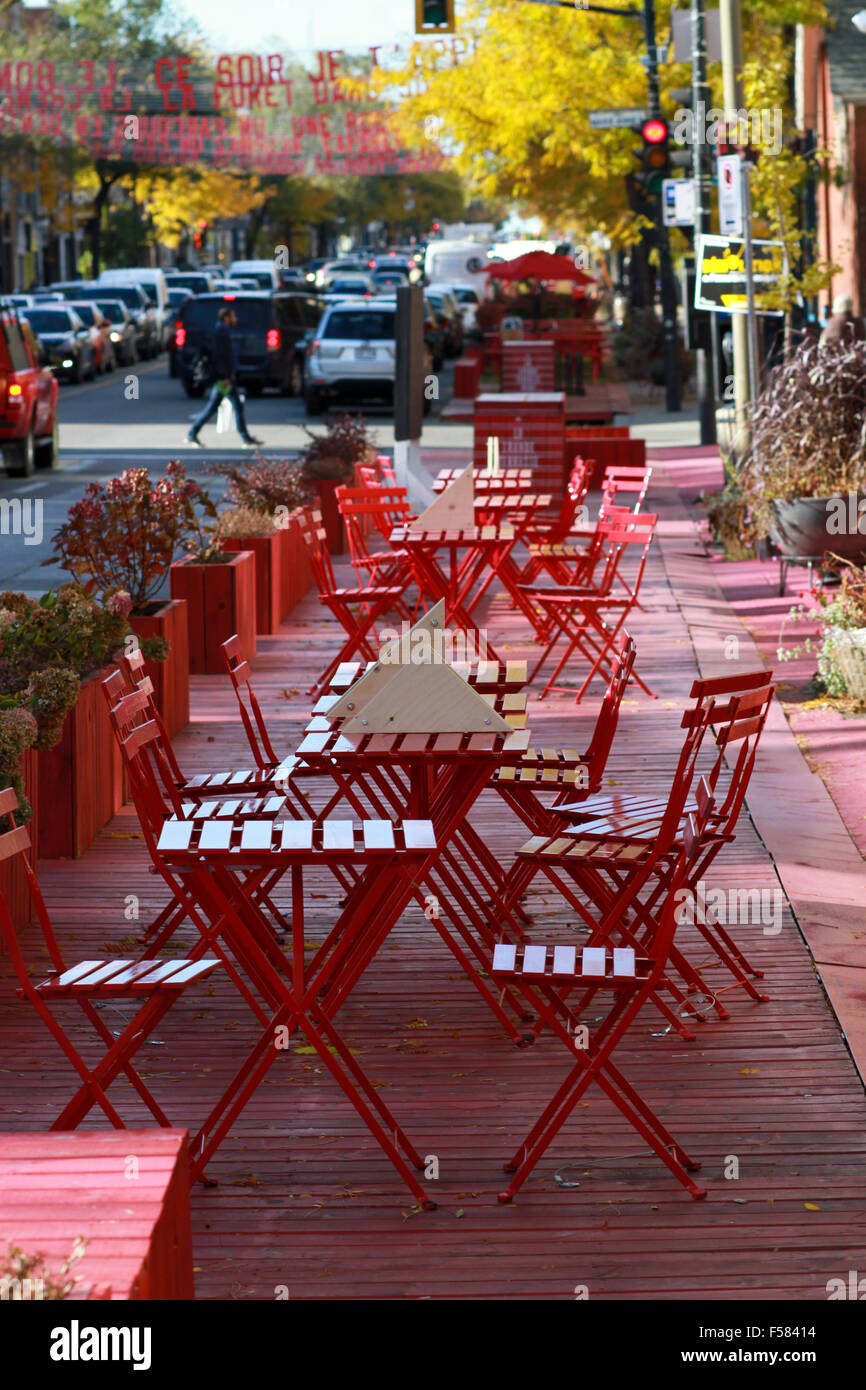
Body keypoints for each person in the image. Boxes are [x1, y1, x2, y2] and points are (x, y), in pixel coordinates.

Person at [185, 306, 262, 448]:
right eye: (233, 316)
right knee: (226, 407)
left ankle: (193, 433)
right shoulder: (221, 332)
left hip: (225, 377)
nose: (235, 319)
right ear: (226, 318)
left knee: (222, 407)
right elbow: (219, 357)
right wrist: (225, 376)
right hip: (224, 378)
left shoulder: (222, 330)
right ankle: (245, 438)